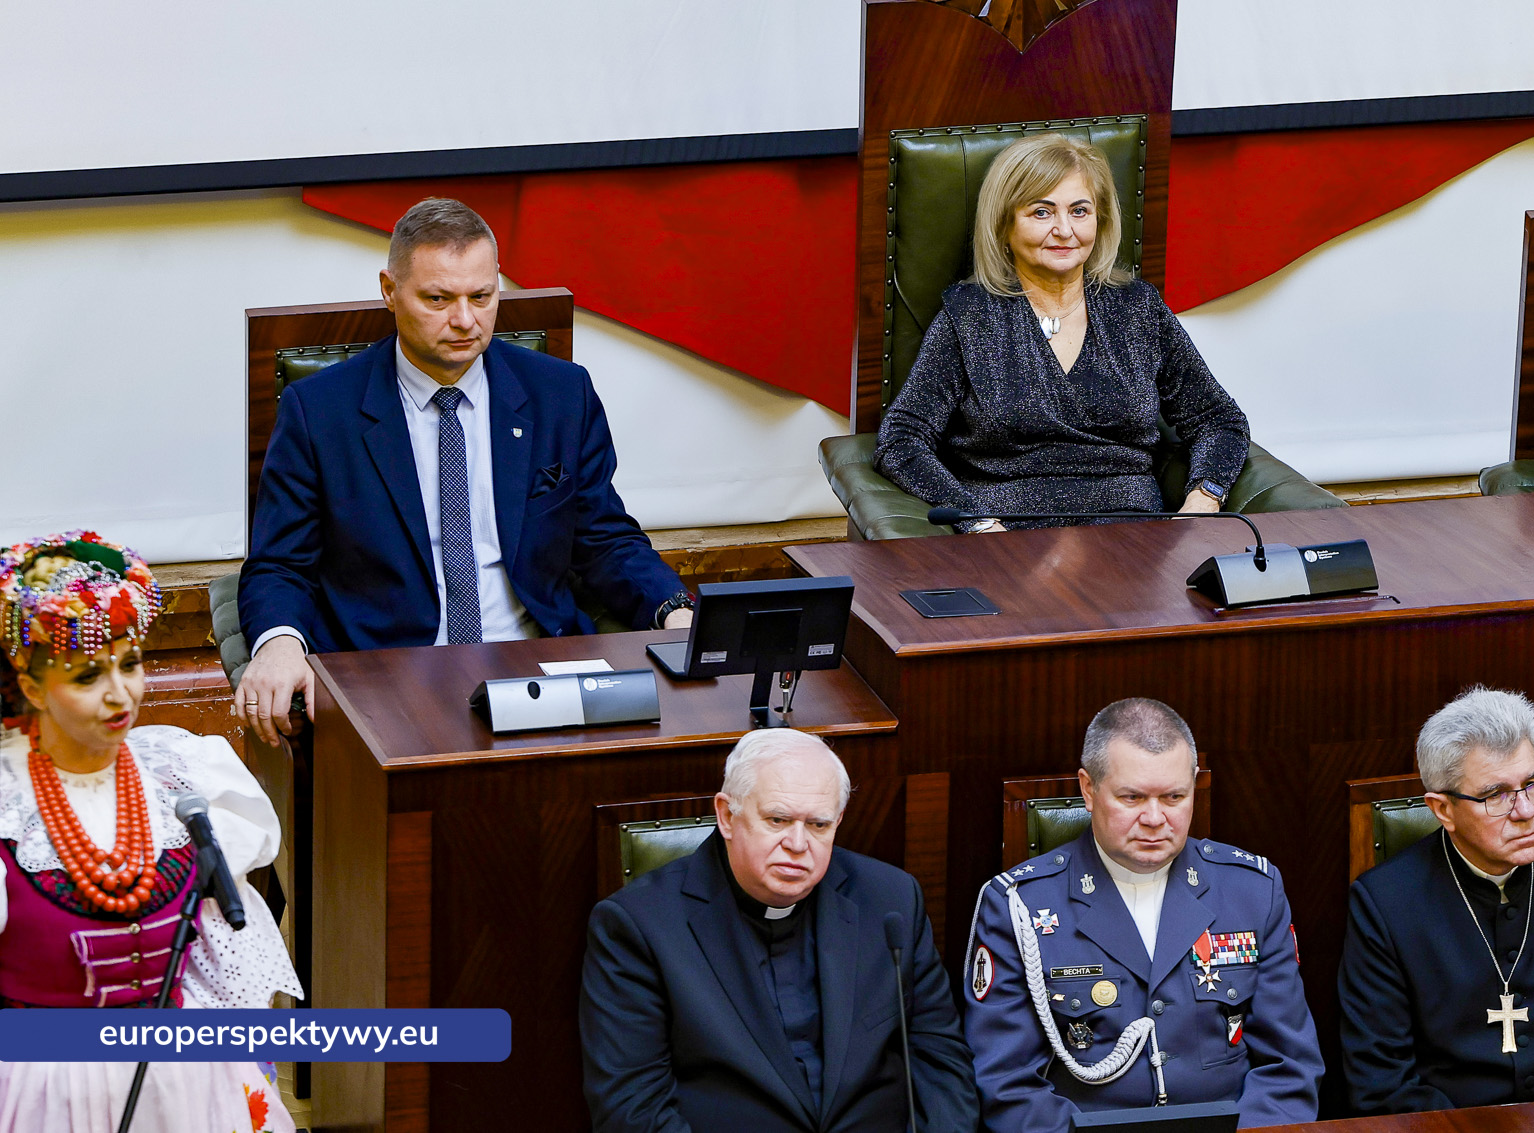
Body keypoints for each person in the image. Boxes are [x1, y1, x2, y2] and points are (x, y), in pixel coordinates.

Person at [236, 197, 693, 746]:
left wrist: (675, 609)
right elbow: (280, 564)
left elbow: (604, 539)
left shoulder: (560, 395)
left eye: (481, 296)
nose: (464, 320)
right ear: (389, 290)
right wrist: (280, 642)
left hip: (534, 665)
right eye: (438, 299)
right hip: (390, 676)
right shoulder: (319, 412)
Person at [0, 531, 301, 1132]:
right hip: (44, 1089)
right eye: (88, 676)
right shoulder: (10, 810)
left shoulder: (183, 776)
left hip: (184, 1081)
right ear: (32, 688)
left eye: (130, 664)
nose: (121, 694)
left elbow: (224, 962)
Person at [580, 727, 976, 1133]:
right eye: (777, 820)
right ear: (727, 815)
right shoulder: (639, 926)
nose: (798, 843)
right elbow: (632, 1111)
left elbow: (940, 1060)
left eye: (819, 825)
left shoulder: (890, 900)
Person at [964, 698, 1321, 1130]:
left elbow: (1289, 1067)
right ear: (1088, 789)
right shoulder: (1018, 906)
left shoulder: (1252, 890)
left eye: (1174, 796)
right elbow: (1008, 1084)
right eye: (1132, 797)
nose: (1155, 818)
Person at [874, 134, 1250, 533]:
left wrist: (1204, 495)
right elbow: (902, 439)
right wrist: (974, 518)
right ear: (1004, 224)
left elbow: (1218, 418)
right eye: (1041, 212)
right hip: (1010, 537)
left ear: (1099, 220)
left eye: (1080, 211)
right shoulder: (969, 316)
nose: (1064, 230)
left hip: (1131, 536)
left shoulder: (1137, 308)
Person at [1340, 687, 1534, 1113]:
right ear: (1443, 810)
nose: (1526, 810)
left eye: (1532, 784)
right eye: (1496, 795)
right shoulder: (1384, 905)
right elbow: (1382, 1083)